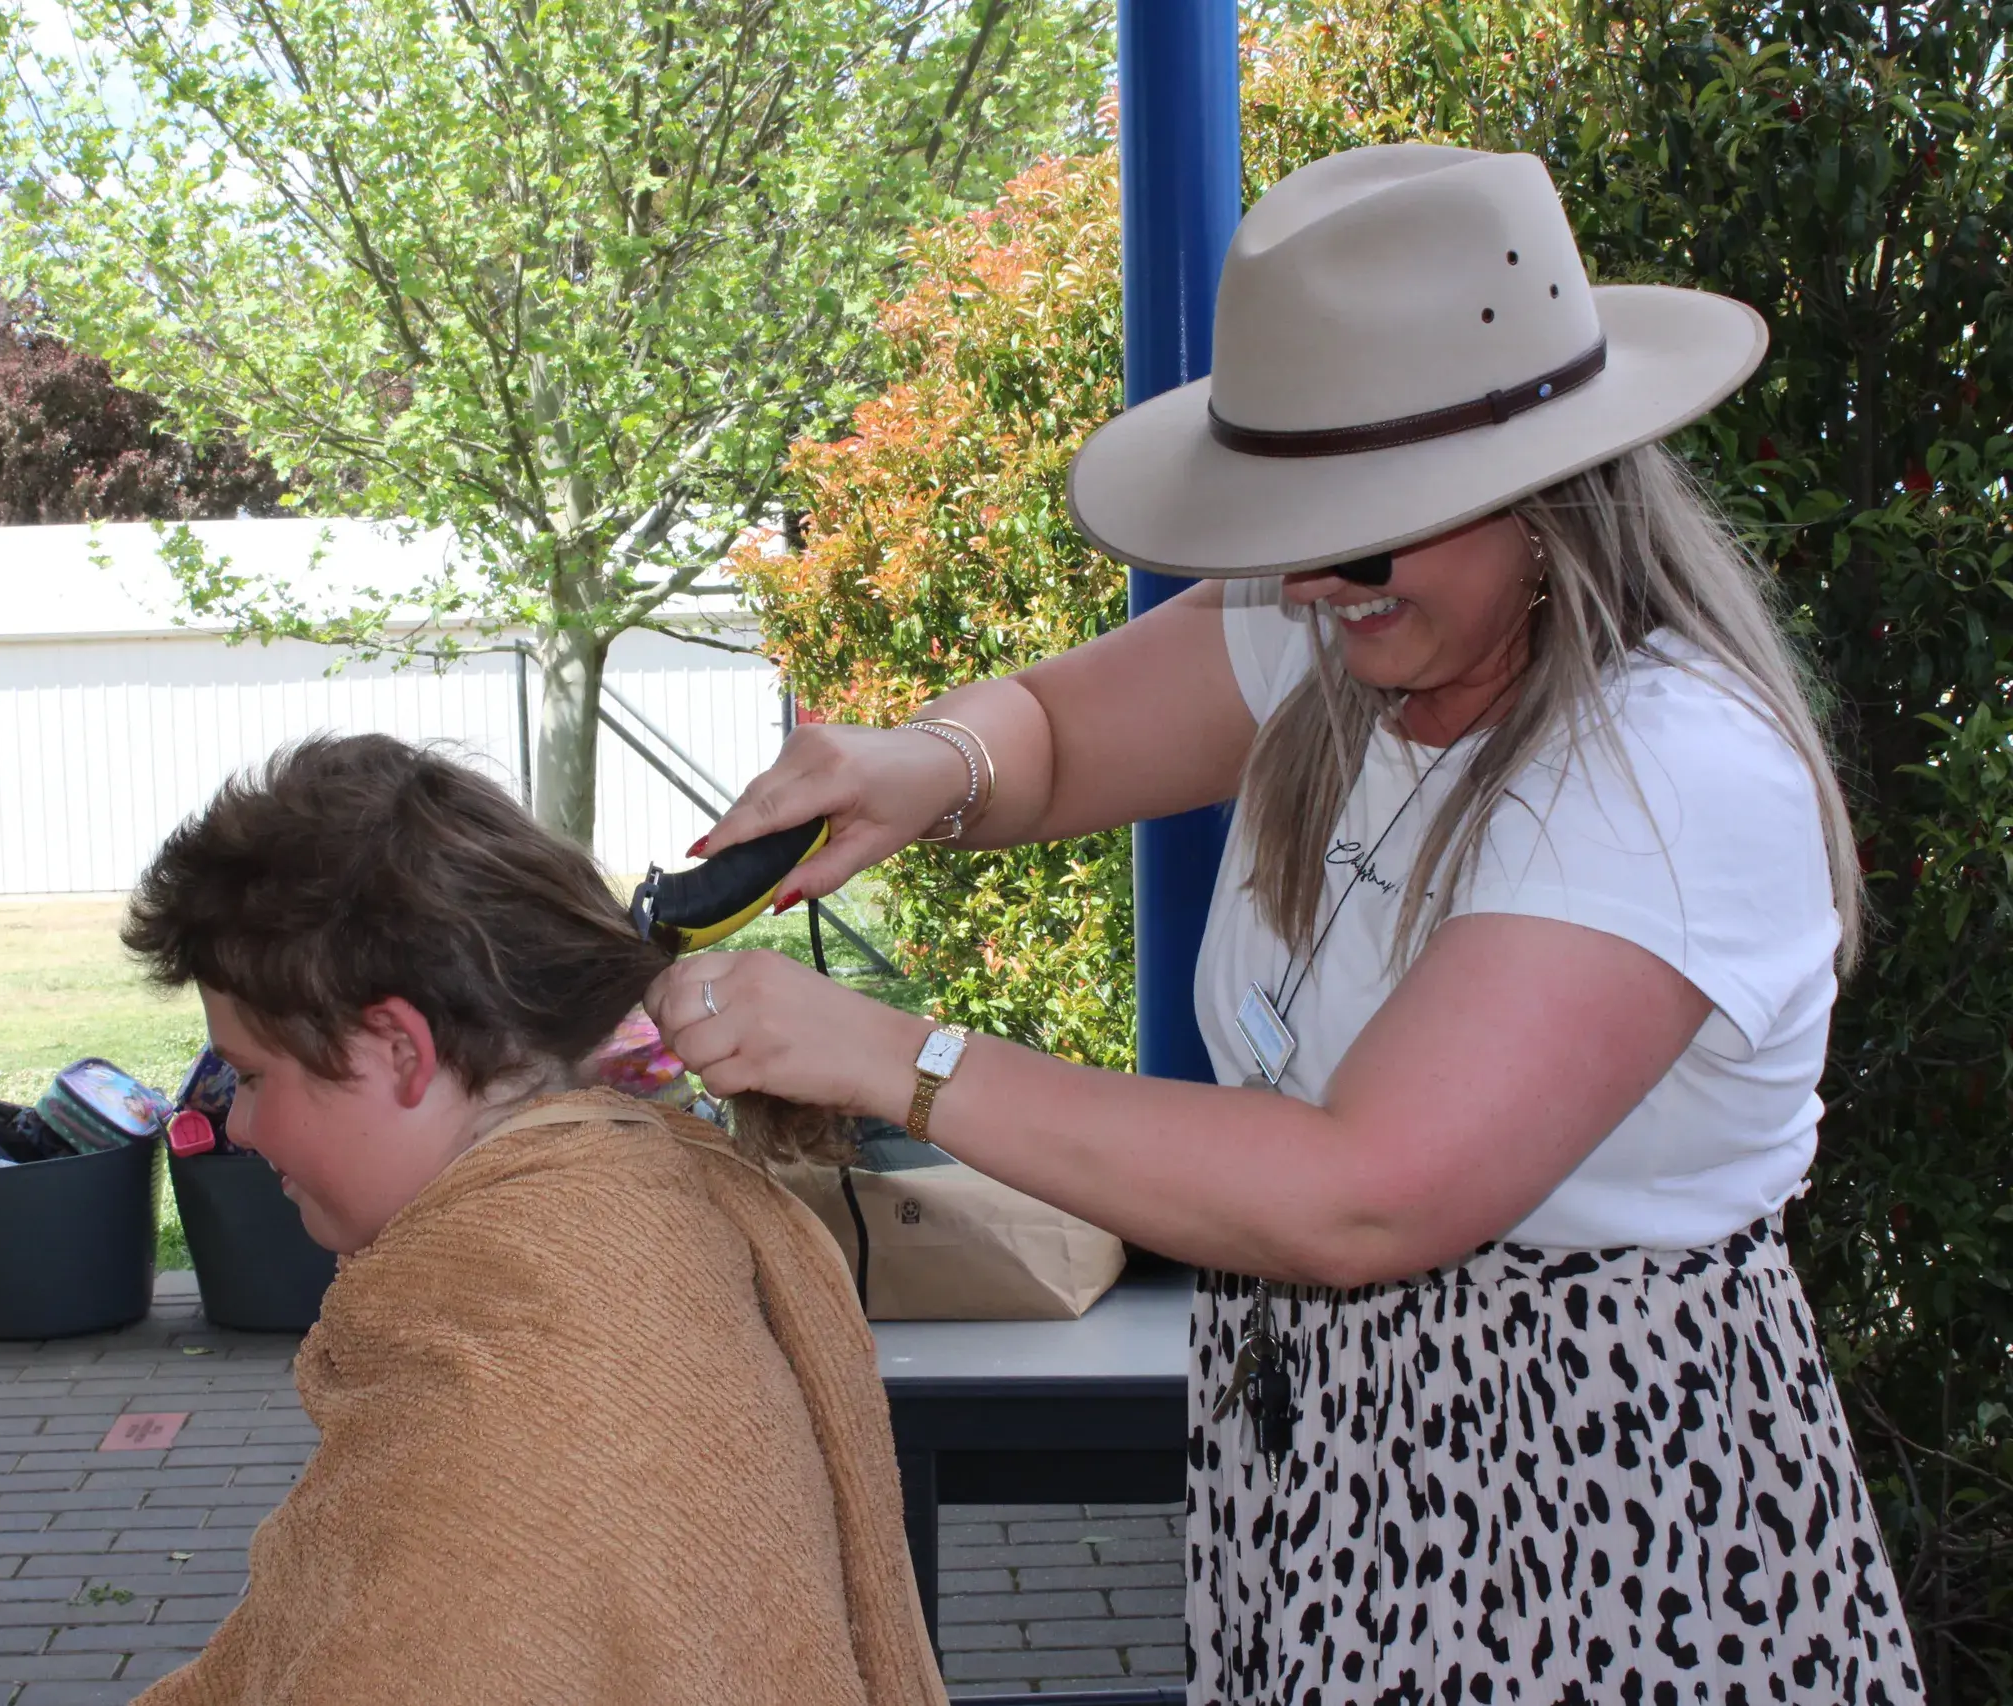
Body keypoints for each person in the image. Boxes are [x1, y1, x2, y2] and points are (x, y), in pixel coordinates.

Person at [649, 143, 1923, 1701]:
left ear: (1544, 495)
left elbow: (1361, 1195)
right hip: (1332, 1460)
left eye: (1367, 528)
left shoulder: (1665, 774)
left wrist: (893, 1059)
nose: (1316, 580)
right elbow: (1051, 731)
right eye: (1289, 528)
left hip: (1585, 1507)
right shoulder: (1352, 628)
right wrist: (922, 765)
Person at [118, 733, 943, 1706]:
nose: (238, 1120)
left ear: (398, 1049)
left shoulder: (500, 1407)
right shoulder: (641, 1216)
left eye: (249, 1074)